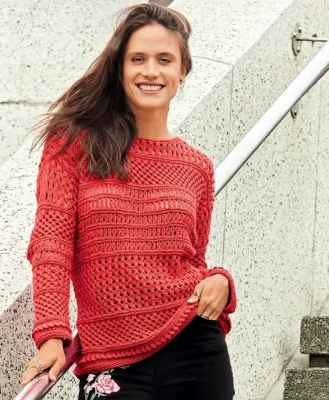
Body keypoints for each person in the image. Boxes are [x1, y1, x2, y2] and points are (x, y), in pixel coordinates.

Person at [20, 3, 237, 399]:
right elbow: (51, 244)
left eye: (164, 60)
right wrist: (51, 334)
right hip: (111, 359)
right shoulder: (72, 144)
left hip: (196, 351)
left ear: (182, 71)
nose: (151, 71)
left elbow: (191, 260)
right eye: (138, 59)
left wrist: (219, 279)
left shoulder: (198, 167)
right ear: (120, 69)